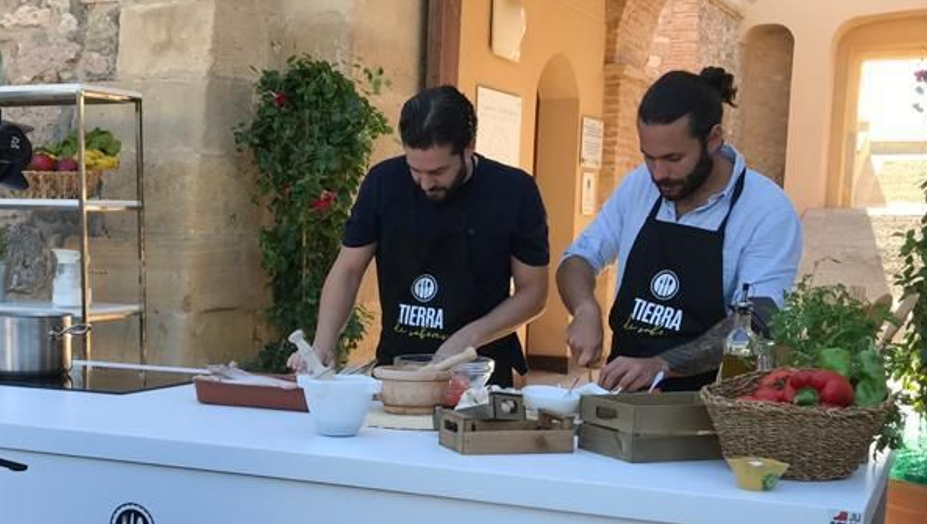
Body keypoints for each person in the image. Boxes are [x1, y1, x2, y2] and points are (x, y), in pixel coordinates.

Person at [557, 67, 802, 392]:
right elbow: (578, 258)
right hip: (625, 399)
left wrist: (664, 365)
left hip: (712, 407)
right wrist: (584, 307)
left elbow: (760, 320)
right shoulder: (638, 187)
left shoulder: (766, 209)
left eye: (673, 158)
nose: (659, 174)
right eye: (649, 157)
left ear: (713, 139)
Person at [290, 85, 549, 386]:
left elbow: (534, 294)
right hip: (396, 369)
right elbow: (348, 269)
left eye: (437, 172)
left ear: (468, 148)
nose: (425, 183)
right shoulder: (383, 182)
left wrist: (468, 338)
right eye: (414, 169)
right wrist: (323, 343)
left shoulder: (513, 191)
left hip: (477, 373)